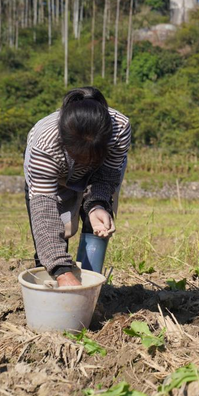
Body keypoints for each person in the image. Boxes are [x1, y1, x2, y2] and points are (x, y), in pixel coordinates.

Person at [24, 87, 131, 287]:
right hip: (56, 177)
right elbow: (44, 211)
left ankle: (90, 286)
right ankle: (54, 284)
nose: (86, 161)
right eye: (80, 156)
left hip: (98, 174)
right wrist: (61, 270)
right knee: (53, 236)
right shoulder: (45, 143)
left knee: (98, 224)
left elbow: (107, 175)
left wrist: (97, 204)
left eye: (92, 155)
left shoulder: (119, 129)